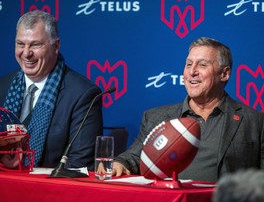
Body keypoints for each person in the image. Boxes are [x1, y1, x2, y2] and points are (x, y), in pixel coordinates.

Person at [112, 37, 264, 182]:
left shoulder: (255, 122)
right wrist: (120, 163)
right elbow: (133, 157)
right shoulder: (155, 117)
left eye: (202, 65)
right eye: (189, 64)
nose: (192, 71)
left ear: (224, 74)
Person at [0, 10, 103, 170]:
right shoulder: (2, 86)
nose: (26, 53)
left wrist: (27, 172)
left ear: (56, 45)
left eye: (35, 45)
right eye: (20, 44)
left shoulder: (84, 94)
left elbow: (79, 165)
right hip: (0, 185)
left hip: (50, 190)